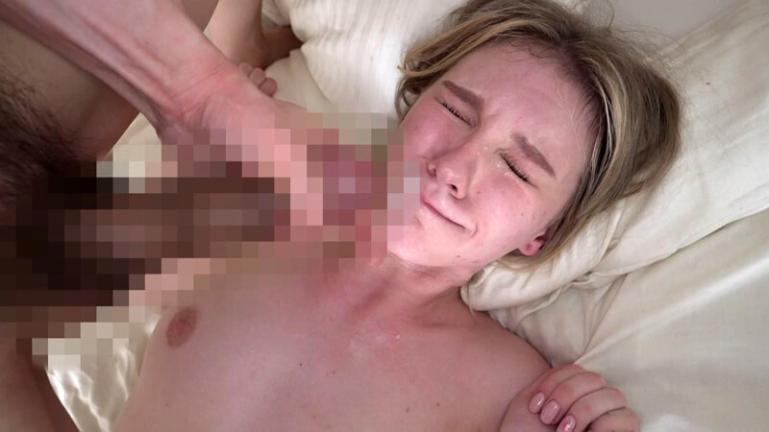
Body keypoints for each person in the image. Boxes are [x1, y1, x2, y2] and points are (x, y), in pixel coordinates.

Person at [0, 0, 680, 431]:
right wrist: (196, 129)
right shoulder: (249, 211)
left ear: (541, 234)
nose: (454, 166)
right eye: (455, 111)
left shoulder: (513, 392)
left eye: (517, 167)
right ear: (411, 107)